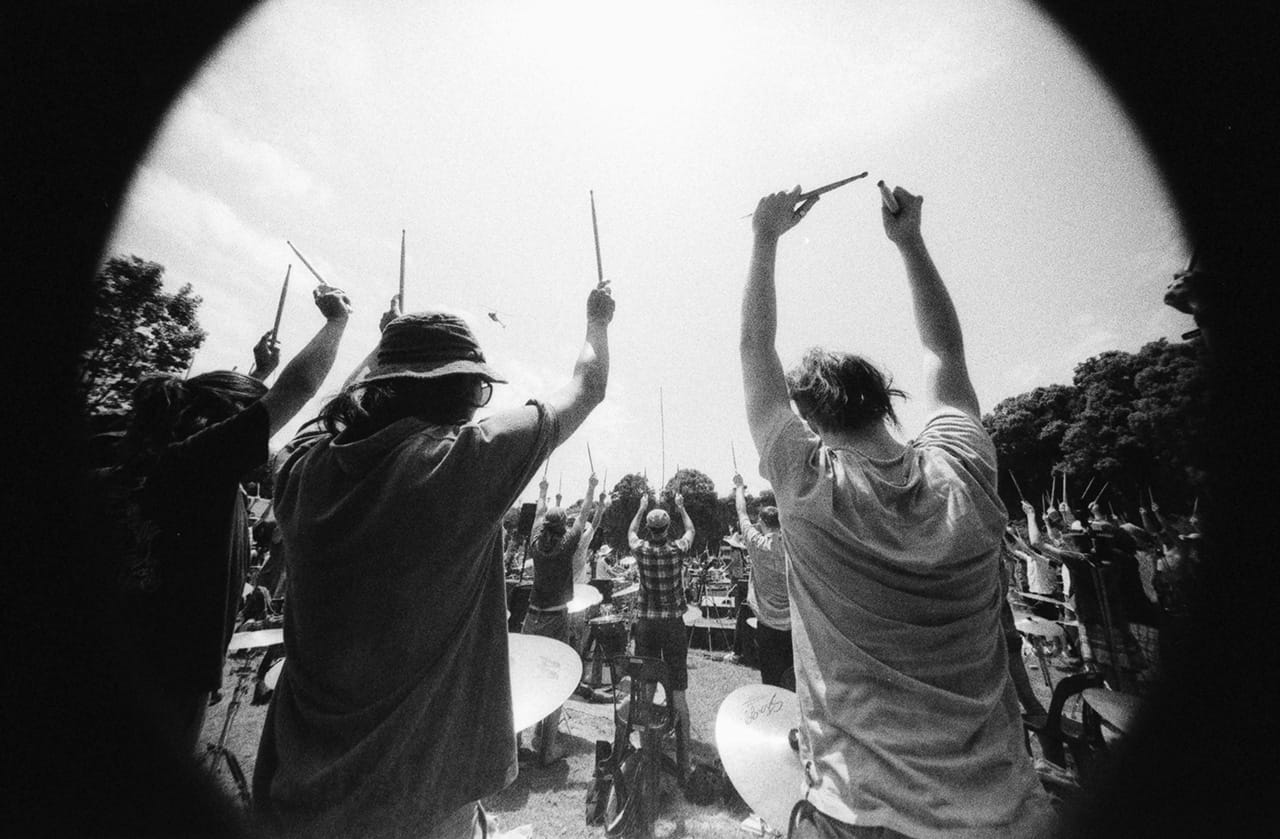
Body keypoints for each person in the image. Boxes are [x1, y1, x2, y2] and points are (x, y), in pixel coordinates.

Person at [739, 183, 1053, 837]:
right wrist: (909, 241)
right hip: (1009, 814)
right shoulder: (963, 467)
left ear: (810, 423)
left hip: (863, 818)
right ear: (885, 401)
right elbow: (946, 353)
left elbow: (753, 349)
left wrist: (765, 237)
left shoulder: (807, 482)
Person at [253, 282, 614, 839]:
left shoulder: (301, 472)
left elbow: (324, 417)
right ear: (468, 393)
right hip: (417, 802)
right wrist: (598, 318)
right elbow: (587, 387)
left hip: (297, 796)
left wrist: (379, 348)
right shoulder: (460, 465)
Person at [98, 285, 351, 753]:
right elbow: (296, 392)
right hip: (166, 676)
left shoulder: (152, 464)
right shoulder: (196, 466)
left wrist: (257, 372)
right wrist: (337, 322)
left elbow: (217, 414)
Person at [520, 474, 598, 765]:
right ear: (563, 525)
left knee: (526, 679)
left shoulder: (535, 544)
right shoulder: (566, 546)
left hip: (531, 617)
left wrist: (542, 491)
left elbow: (539, 513)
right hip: (555, 619)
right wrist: (590, 488)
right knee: (553, 681)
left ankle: (518, 743)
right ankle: (547, 748)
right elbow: (585, 513)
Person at [627, 491, 695, 777]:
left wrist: (641, 508)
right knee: (677, 689)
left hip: (647, 624)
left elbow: (630, 531)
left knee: (647, 686)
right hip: (673, 625)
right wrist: (680, 507)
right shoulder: (677, 549)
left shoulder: (640, 549)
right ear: (667, 529)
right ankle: (685, 756)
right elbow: (691, 530)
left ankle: (645, 751)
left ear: (649, 529)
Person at [729, 473, 793, 687]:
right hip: (794, 624)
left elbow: (741, 512)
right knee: (793, 679)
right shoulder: (794, 546)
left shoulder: (756, 544)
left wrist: (739, 487)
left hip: (767, 625)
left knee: (771, 682)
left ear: (762, 522)